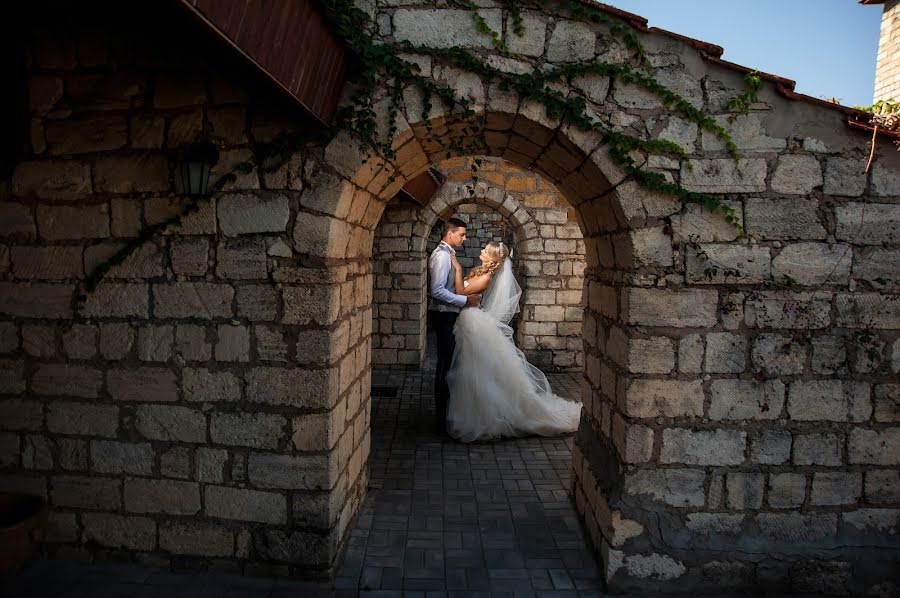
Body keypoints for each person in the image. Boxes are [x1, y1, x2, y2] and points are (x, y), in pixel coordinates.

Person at [445, 241, 582, 442]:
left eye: (485, 250)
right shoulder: (480, 272)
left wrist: (457, 269)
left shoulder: (486, 277)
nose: (481, 251)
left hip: (473, 322)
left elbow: (458, 293)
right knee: (473, 368)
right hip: (470, 321)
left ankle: (488, 415)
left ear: (492, 258)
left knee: (476, 370)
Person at [428, 218, 481, 436]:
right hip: (443, 316)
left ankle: (445, 414)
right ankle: (440, 420)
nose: (465, 238)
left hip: (447, 315)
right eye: (462, 234)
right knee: (444, 364)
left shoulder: (448, 253)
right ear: (449, 233)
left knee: (447, 363)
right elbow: (437, 291)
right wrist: (464, 301)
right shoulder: (441, 256)